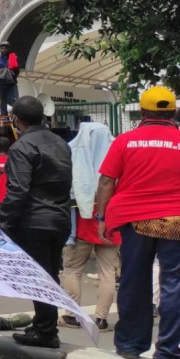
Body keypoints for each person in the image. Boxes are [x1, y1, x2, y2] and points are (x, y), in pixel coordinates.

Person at [94, 86, 180, 359]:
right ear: (173, 112)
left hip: (135, 221)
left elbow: (106, 181)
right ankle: (168, 352)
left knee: (135, 280)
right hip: (179, 222)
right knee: (175, 286)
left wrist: (101, 218)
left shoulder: (125, 141)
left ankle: (130, 346)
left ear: (144, 111)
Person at [0, 97, 73, 349]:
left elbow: (18, 191)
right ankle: (43, 323)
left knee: (39, 277)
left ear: (17, 119)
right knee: (49, 274)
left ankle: (46, 332)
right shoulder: (61, 143)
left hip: (34, 221)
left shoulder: (21, 147)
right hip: (60, 218)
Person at [60, 122, 119, 331]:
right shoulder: (117, 155)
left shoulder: (74, 155)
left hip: (81, 221)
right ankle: (101, 318)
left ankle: (71, 315)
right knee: (108, 272)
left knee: (72, 270)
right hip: (111, 221)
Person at [0, 41, 20, 116]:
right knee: (3, 102)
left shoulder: (14, 57)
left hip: (12, 83)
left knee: (14, 100)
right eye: (2, 48)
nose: (4, 50)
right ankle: (4, 117)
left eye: (6, 48)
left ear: (9, 49)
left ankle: (15, 117)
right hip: (1, 83)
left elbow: (17, 70)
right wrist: (2, 75)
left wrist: (11, 77)